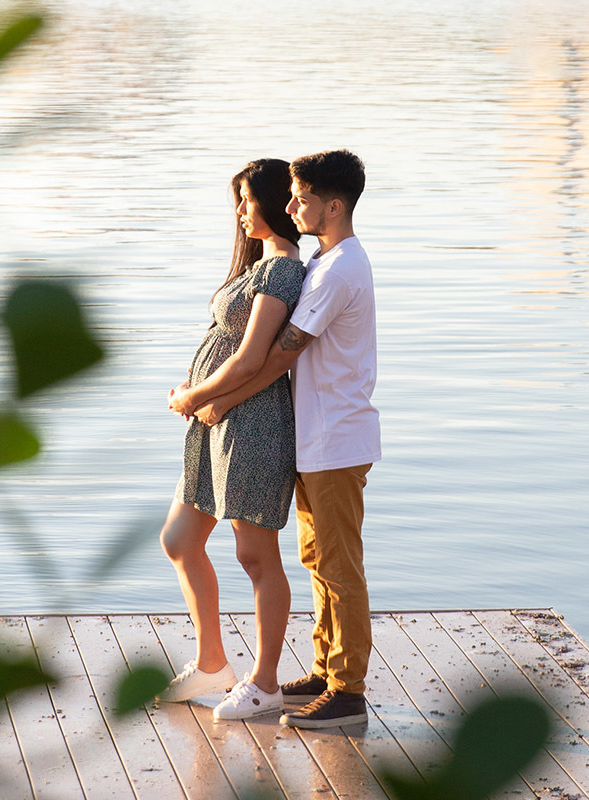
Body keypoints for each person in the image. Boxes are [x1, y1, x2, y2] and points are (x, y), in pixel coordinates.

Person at [192, 149, 380, 729]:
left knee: (340, 565)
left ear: (335, 205)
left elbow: (280, 355)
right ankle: (327, 670)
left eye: (301, 198)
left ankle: (348, 690)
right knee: (317, 557)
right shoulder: (325, 262)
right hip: (315, 438)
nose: (291, 206)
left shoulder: (342, 267)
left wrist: (219, 399)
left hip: (336, 440)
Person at [158, 158, 306, 721]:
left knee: (255, 554)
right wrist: (198, 400)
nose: (241, 213)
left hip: (254, 426)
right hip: (218, 423)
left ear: (273, 201)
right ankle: (213, 661)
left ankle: (265, 683)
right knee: (179, 539)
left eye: (247, 200)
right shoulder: (260, 266)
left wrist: (192, 397)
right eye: (238, 202)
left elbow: (250, 358)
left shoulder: (283, 271)